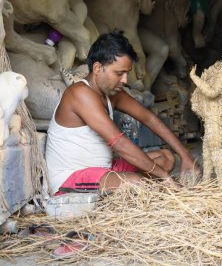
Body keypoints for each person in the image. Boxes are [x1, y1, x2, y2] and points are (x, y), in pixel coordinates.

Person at [46, 30, 198, 195]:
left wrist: (185, 155)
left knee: (166, 158)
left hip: (104, 170)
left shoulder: (112, 94)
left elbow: (148, 118)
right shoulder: (80, 94)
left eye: (127, 73)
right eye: (119, 73)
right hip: (71, 180)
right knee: (135, 183)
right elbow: (119, 143)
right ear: (97, 68)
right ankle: (144, 188)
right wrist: (165, 178)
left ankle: (139, 189)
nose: (125, 80)